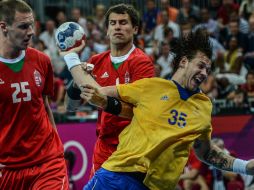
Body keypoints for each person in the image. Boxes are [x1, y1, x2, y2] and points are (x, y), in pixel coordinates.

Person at [62, 28, 254, 189]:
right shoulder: (150, 86)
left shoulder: (204, 106)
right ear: (184, 62)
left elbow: (206, 152)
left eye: (208, 70)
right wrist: (71, 57)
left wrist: (245, 167)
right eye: (201, 66)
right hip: (117, 177)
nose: (204, 73)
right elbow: (96, 92)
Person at [64, 3, 155, 177]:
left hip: (132, 149)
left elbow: (140, 112)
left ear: (135, 29)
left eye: (123, 22)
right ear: (106, 30)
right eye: (113, 23)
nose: (117, 27)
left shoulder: (142, 62)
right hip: (104, 149)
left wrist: (105, 101)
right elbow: (71, 107)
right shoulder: (95, 61)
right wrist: (77, 82)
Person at [0, 1, 68, 189]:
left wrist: (56, 144)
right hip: (9, 169)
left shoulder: (42, 60)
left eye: (31, 25)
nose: (30, 32)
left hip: (48, 162)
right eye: (23, 26)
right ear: (3, 27)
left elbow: (44, 105)